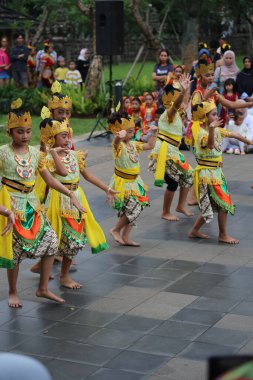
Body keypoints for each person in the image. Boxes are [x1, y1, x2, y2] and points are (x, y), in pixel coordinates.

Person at [0, 98, 85, 307]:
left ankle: (43, 288)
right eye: (20, 132)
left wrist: (71, 194)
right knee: (16, 253)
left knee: (51, 242)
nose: (25, 136)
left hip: (32, 204)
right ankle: (13, 291)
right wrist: (4, 210)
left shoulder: (36, 154)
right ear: (9, 132)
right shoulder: (3, 152)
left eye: (28, 131)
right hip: (13, 206)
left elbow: (49, 179)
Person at [37, 110, 116, 289]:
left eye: (68, 136)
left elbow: (87, 175)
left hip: (76, 197)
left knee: (75, 238)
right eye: (63, 136)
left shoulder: (74, 155)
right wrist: (53, 153)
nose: (67, 140)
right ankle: (43, 270)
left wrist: (107, 188)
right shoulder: (48, 158)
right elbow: (63, 173)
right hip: (59, 199)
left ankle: (63, 276)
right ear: (53, 139)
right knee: (54, 238)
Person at [189, 101, 253, 243]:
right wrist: (211, 129)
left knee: (211, 205)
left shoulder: (217, 130)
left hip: (216, 173)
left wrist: (249, 142)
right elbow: (210, 144)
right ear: (205, 118)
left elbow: (234, 134)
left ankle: (194, 230)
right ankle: (223, 235)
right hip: (208, 175)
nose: (216, 116)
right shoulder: (202, 135)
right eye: (213, 114)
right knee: (224, 202)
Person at [149, 74, 194, 222]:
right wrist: (183, 91)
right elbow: (176, 105)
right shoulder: (168, 113)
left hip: (173, 151)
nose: (180, 101)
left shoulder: (177, 114)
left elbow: (183, 104)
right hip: (165, 152)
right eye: (176, 95)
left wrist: (185, 90)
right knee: (173, 182)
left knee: (188, 176)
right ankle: (165, 212)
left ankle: (180, 205)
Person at [108, 112, 157, 246]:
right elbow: (116, 143)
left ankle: (126, 236)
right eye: (129, 132)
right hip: (123, 183)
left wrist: (154, 133)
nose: (131, 134)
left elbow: (150, 146)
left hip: (135, 182)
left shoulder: (133, 144)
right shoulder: (118, 145)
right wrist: (119, 137)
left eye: (132, 131)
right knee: (133, 208)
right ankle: (115, 230)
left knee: (137, 207)